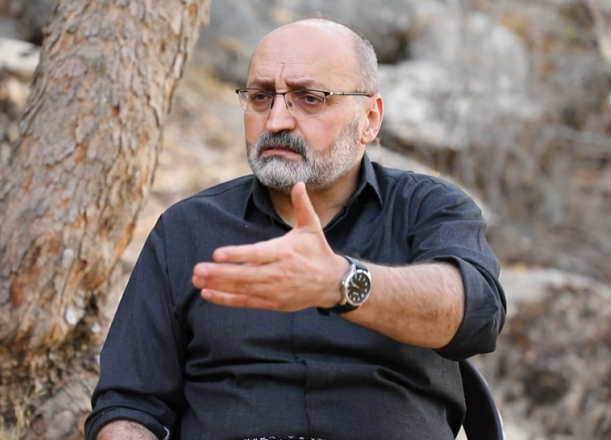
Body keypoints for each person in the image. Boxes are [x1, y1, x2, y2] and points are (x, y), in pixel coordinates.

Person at [85, 17, 506, 440]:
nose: (276, 122)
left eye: (309, 99)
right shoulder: (187, 229)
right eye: (261, 97)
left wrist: (343, 283)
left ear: (370, 118)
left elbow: (476, 315)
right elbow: (129, 406)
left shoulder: (426, 208)